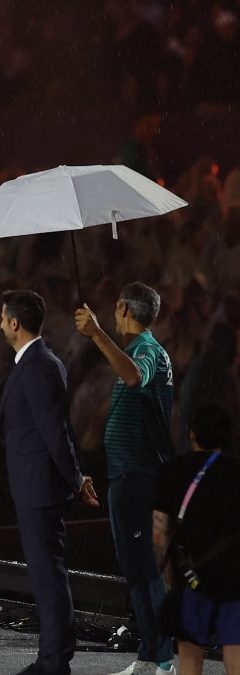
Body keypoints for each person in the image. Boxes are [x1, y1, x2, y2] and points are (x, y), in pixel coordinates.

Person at [75, 282, 175, 675]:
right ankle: (149, 655)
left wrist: (96, 333)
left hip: (139, 474)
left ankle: (163, 657)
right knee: (134, 566)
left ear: (122, 309)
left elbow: (134, 377)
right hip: (126, 474)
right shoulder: (134, 350)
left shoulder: (147, 350)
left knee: (145, 567)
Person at [0, 290, 99, 675]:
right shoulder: (34, 362)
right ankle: (51, 656)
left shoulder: (40, 364)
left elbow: (55, 431)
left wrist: (74, 478)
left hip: (40, 487)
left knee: (48, 576)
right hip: (32, 484)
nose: (0, 323)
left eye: (3, 317)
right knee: (45, 575)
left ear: (15, 323)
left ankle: (55, 661)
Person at [153, 405, 240, 675]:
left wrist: (169, 573)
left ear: (192, 434)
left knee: (189, 655)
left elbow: (158, 532)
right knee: (236, 653)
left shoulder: (171, 471)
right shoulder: (237, 471)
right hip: (235, 577)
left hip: (190, 575)